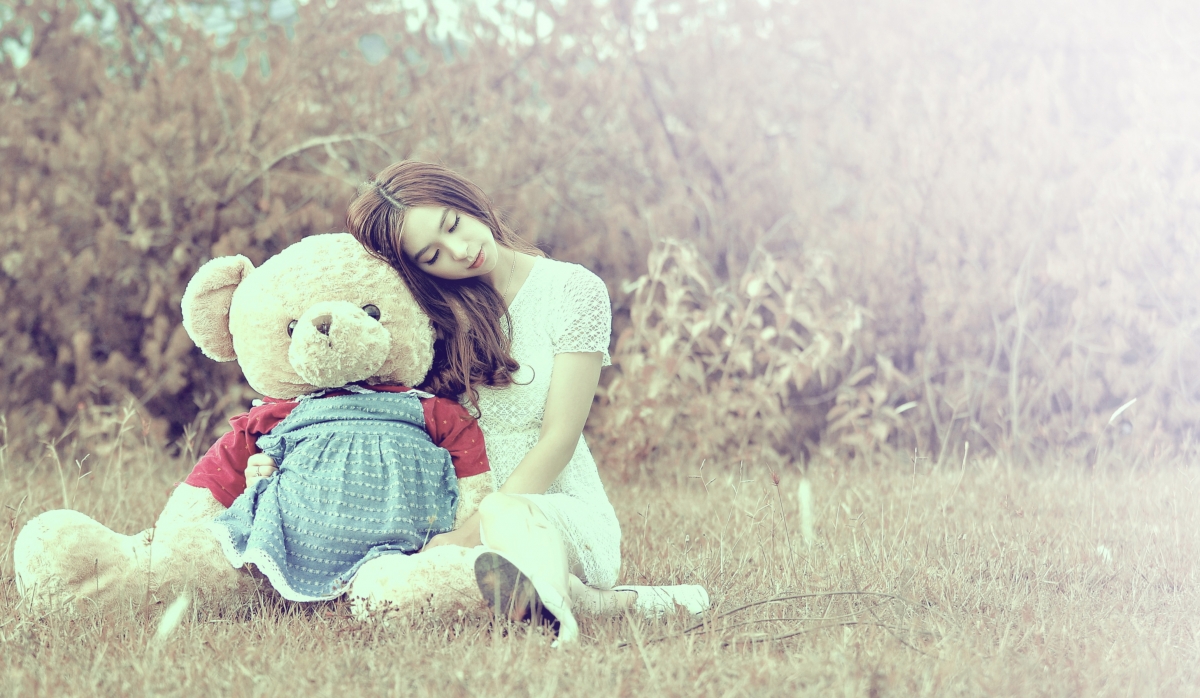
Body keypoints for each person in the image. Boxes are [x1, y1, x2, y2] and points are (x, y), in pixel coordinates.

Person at [344, 160, 709, 643]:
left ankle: (562, 622)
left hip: (550, 509)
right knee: (377, 593)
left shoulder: (573, 291)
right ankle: (609, 602)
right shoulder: (432, 314)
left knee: (503, 515)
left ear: (465, 199)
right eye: (433, 256)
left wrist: (471, 533)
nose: (460, 250)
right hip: (458, 514)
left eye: (452, 224)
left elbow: (560, 437)